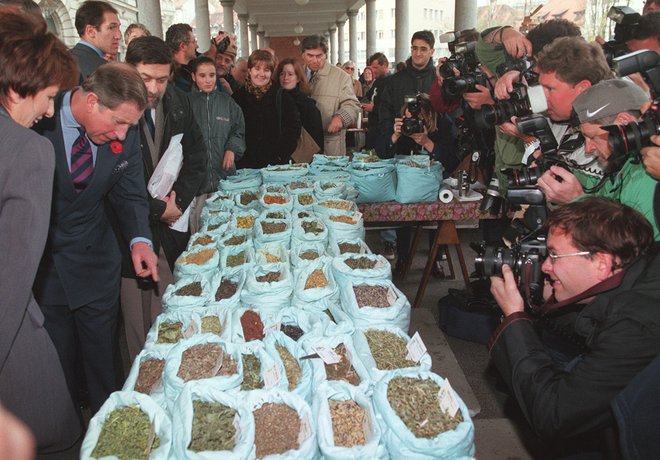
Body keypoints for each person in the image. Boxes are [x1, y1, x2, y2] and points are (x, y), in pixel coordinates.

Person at [33, 63, 159, 413]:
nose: (122, 135)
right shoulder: (37, 118)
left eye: (129, 126)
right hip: (45, 273)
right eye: (118, 122)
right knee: (58, 373)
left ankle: (110, 433)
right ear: (91, 101)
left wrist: (139, 241)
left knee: (104, 365)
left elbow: (131, 191)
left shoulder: (125, 130)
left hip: (96, 264)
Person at [488, 196, 660, 452]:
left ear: (602, 263)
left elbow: (554, 415)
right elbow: (594, 324)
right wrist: (549, 301)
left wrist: (514, 318)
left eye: (555, 256)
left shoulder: (636, 326)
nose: (545, 266)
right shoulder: (641, 267)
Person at [0, 7, 82, 456]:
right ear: (17, 87)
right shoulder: (28, 152)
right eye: (49, 96)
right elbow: (9, 283)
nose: (51, 112)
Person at [120, 36, 206, 362]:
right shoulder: (115, 106)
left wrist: (178, 204)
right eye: (145, 79)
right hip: (130, 233)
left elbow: (197, 155)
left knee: (169, 309)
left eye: (161, 79)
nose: (154, 88)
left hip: (170, 227)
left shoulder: (180, 102)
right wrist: (158, 209)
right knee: (136, 322)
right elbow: (117, 180)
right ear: (129, 71)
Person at [536, 79, 659, 239]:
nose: (589, 149)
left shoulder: (646, 179)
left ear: (623, 123)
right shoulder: (627, 164)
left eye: (593, 137)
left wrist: (578, 202)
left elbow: (633, 250)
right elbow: (606, 198)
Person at [387, 93, 459, 275]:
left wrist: (428, 143)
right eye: (408, 119)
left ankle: (435, 258)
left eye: (418, 120)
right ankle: (403, 258)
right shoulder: (403, 128)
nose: (413, 124)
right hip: (407, 185)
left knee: (440, 212)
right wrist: (394, 136)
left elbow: (452, 162)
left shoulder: (444, 125)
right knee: (403, 214)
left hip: (436, 181)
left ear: (429, 117)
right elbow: (382, 157)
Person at [189, 55, 246, 231]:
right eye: (202, 76)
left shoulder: (227, 102)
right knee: (200, 232)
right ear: (193, 77)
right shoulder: (185, 103)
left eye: (212, 75)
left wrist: (231, 149)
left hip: (225, 180)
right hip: (196, 185)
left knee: (229, 230)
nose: (208, 80)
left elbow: (239, 131)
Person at [233, 49, 301, 169]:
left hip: (275, 164)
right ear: (249, 70)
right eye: (257, 68)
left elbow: (293, 128)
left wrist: (281, 154)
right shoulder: (237, 98)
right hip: (245, 165)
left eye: (266, 70)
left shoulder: (282, 96)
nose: (261, 74)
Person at [300, 34, 360, 156]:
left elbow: (353, 104)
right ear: (302, 55)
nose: (315, 60)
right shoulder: (296, 74)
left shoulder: (341, 77)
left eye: (319, 56)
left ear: (326, 55)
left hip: (330, 144)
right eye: (310, 56)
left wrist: (341, 118)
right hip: (302, 144)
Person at [276, 57, 324, 155]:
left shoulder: (307, 105)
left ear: (298, 78)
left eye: (290, 74)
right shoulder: (274, 100)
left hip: (300, 159)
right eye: (282, 74)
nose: (285, 78)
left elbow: (316, 141)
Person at [70, 0, 121, 81]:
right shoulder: (104, 71)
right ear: (90, 31)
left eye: (118, 28)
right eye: (111, 28)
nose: (118, 36)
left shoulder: (62, 60)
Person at [166, 23, 198, 92]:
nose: (197, 46)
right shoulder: (169, 75)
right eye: (194, 42)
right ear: (183, 46)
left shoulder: (190, 68)